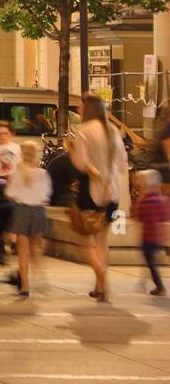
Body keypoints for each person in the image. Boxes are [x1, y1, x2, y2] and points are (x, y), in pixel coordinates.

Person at [73, 93, 129, 302]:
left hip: (90, 193)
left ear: (88, 109)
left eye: (80, 107)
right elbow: (123, 165)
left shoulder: (84, 132)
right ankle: (98, 286)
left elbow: (80, 163)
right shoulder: (114, 131)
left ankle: (103, 281)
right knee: (102, 241)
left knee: (86, 242)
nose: (78, 110)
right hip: (112, 193)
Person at [6, 139, 51, 298]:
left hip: (22, 211)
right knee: (35, 250)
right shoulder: (43, 173)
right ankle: (39, 278)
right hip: (38, 211)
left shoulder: (16, 173)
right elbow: (46, 195)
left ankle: (24, 287)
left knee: (22, 253)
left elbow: (9, 194)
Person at [131, 169, 167, 297]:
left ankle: (160, 286)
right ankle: (147, 284)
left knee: (150, 263)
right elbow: (164, 217)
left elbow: (138, 218)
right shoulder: (161, 200)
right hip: (157, 236)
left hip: (147, 236)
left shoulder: (143, 200)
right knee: (151, 262)